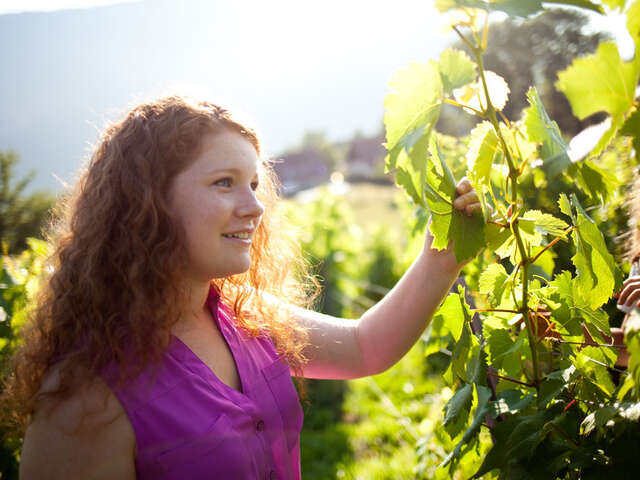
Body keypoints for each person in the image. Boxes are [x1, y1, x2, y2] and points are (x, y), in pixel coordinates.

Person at [4, 95, 481, 479]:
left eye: (254, 183)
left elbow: (362, 348)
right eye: (224, 183)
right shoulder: (84, 400)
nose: (254, 207)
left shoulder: (242, 313)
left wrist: (439, 262)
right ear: (147, 203)